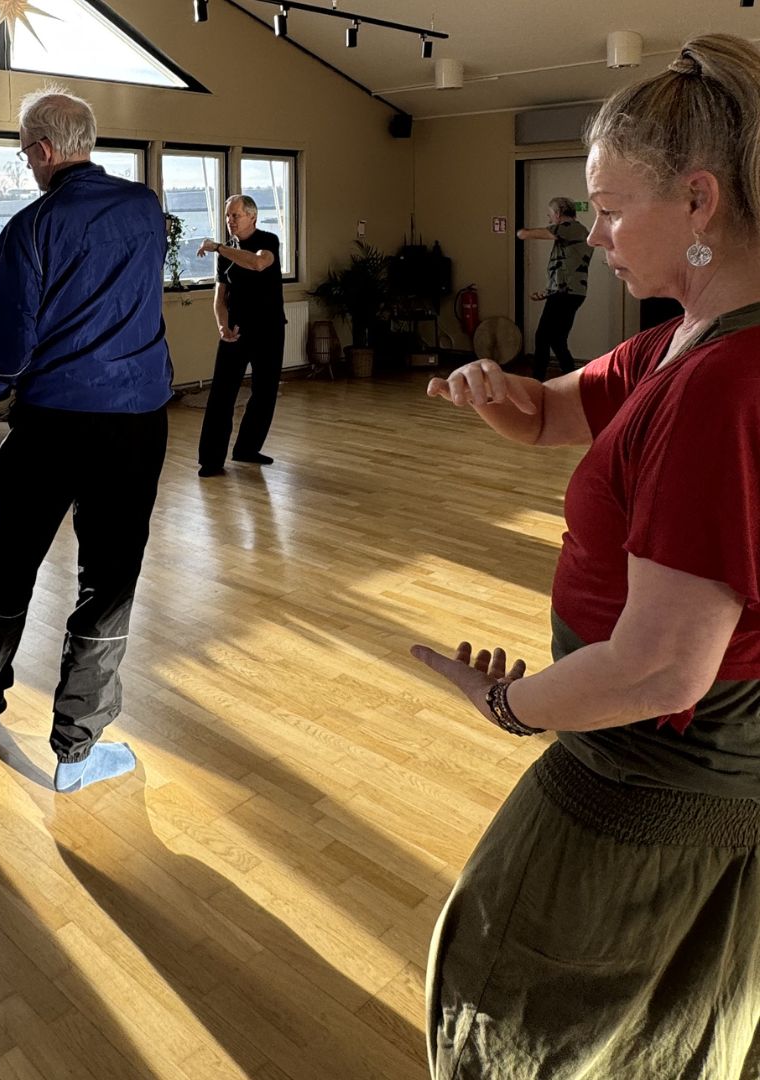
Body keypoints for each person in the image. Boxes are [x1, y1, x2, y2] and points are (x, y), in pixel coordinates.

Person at [415, 34, 760, 1079]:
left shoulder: (723, 382)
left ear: (698, 201)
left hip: (661, 768)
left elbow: (660, 670)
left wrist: (509, 705)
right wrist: (496, 391)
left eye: (610, 209)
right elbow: (555, 411)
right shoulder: (680, 340)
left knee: (515, 1012)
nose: (596, 233)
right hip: (648, 747)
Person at [0, 88, 172, 795]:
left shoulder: (28, 229)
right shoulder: (145, 209)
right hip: (134, 421)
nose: (27, 164)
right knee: (108, 578)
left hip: (49, 422)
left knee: (8, 558)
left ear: (46, 149)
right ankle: (77, 751)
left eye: (25, 152)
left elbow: (10, 347)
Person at [195, 194, 285, 477]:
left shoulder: (268, 241)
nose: (230, 220)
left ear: (252, 217)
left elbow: (258, 263)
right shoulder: (225, 254)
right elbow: (220, 297)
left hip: (269, 329)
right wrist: (222, 326)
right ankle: (210, 460)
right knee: (222, 393)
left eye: (235, 215)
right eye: (227, 216)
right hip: (235, 331)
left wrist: (218, 247)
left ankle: (247, 448)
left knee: (265, 391)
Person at [517, 196, 593, 381]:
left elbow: (534, 234)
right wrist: (547, 292)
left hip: (565, 294)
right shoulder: (573, 233)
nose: (549, 218)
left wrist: (522, 232)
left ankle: (537, 382)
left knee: (542, 337)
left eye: (550, 214)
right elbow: (565, 268)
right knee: (557, 340)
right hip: (566, 293)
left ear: (558, 214)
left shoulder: (571, 228)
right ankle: (573, 380)